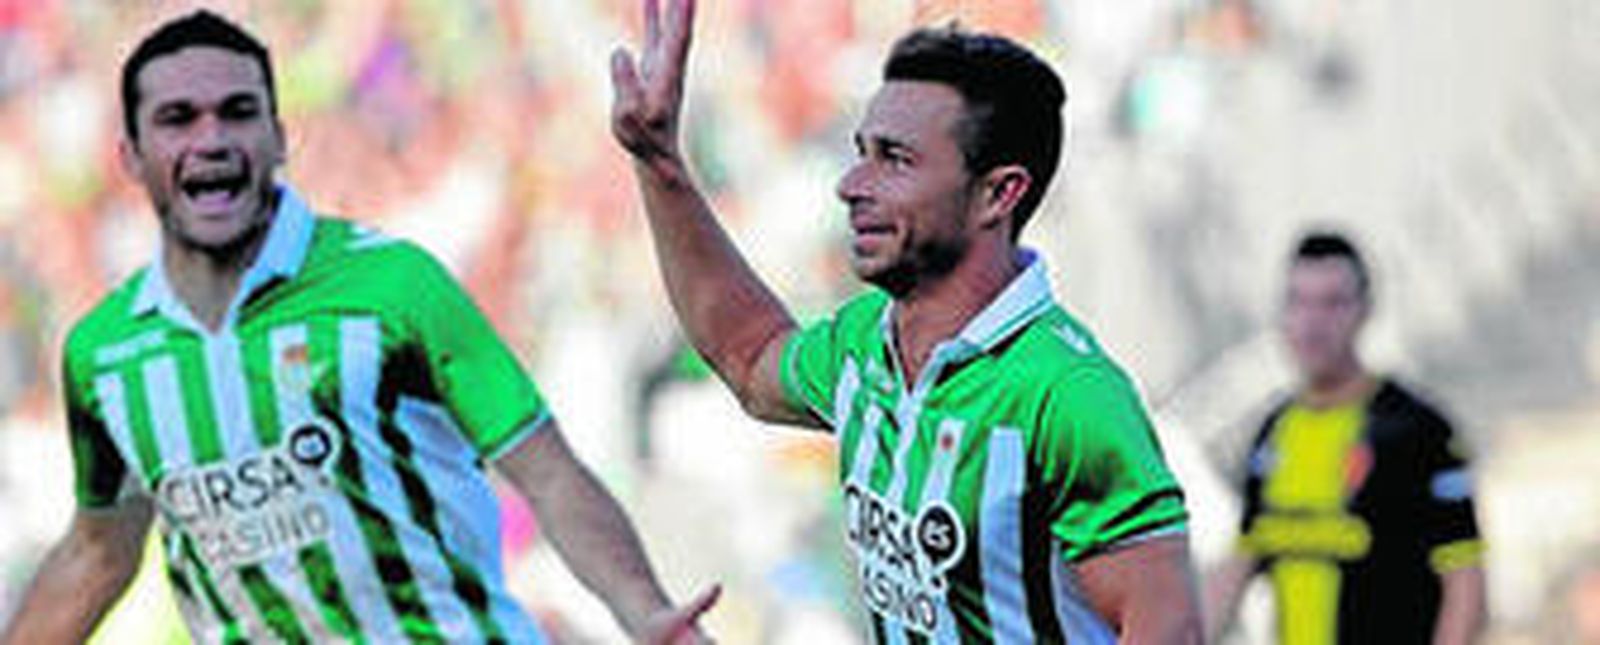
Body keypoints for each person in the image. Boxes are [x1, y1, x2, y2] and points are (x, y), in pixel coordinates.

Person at [0, 10, 715, 644]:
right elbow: (98, 550)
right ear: (129, 154)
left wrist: (641, 607)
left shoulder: (394, 286)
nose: (211, 138)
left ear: (279, 137)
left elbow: (547, 472)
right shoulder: (105, 355)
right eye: (178, 118)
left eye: (238, 112)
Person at [610, 0, 1201, 641]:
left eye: (894, 159)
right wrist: (659, 160)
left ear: (998, 193)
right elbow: (751, 359)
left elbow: (1169, 629)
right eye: (861, 151)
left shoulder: (1067, 395)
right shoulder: (866, 344)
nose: (851, 183)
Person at [1203, 232, 1486, 644]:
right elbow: (1241, 563)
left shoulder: (1417, 430)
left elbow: (1465, 582)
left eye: (1333, 303)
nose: (1313, 322)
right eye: (1298, 301)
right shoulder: (1273, 432)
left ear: (1365, 311)